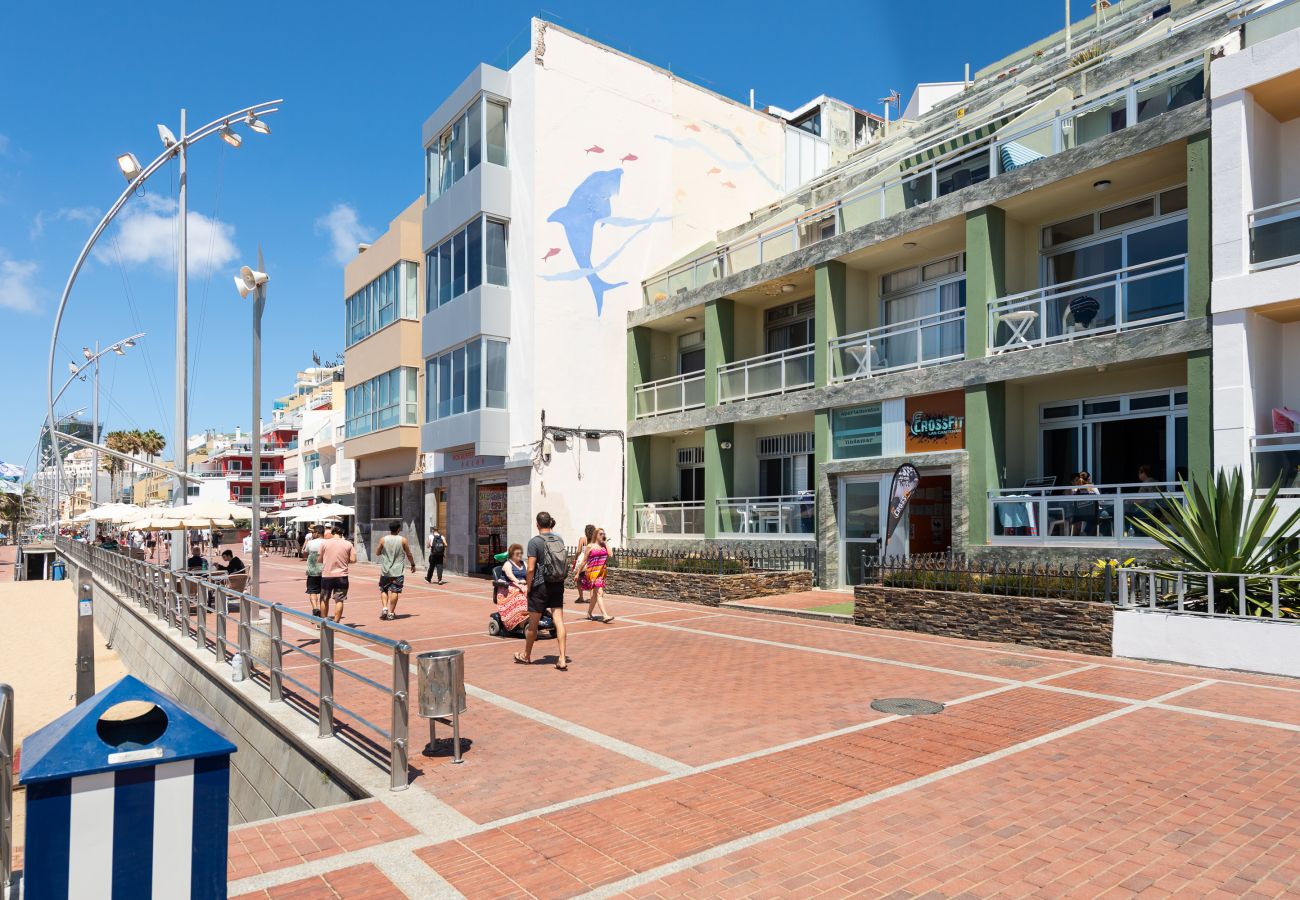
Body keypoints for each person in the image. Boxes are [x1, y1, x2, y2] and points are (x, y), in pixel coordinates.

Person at [515, 511, 569, 670]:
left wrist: (528, 586)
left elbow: (530, 568)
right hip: (557, 583)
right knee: (559, 620)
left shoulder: (535, 542)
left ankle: (526, 655)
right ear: (550, 523)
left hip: (540, 586)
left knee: (533, 624)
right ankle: (562, 658)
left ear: (537, 524)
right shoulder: (559, 539)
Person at [376, 521, 416, 621]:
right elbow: (409, 554)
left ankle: (385, 608)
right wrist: (412, 564)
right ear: (398, 529)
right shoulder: (403, 540)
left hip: (385, 570)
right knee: (395, 591)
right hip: (398, 571)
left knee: (383, 589)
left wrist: (384, 551)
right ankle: (391, 613)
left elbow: (377, 552)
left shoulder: (383, 539)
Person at [318, 524, 356, 623]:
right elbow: (353, 559)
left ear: (332, 533)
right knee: (339, 600)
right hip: (342, 576)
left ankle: (323, 621)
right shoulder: (348, 544)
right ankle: (336, 623)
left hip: (327, 575)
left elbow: (319, 559)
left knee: (324, 599)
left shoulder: (324, 543)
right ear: (342, 534)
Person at [575, 526, 613, 623]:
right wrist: (578, 573)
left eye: (604, 534)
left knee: (595, 595)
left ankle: (589, 613)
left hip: (601, 573)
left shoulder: (604, 545)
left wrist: (606, 542)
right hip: (592, 573)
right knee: (599, 593)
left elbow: (610, 554)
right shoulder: (590, 546)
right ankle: (605, 615)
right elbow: (584, 561)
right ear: (596, 535)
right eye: (601, 534)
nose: (603, 535)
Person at [302, 525, 326, 617]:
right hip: (325, 571)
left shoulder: (310, 543)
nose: (312, 534)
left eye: (313, 532)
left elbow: (304, 554)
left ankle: (315, 608)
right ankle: (323, 612)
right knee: (323, 593)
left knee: (312, 591)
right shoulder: (327, 543)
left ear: (317, 533)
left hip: (312, 571)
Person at [1069, 471, 1101, 536]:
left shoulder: (1075, 489)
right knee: (1105, 514)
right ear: (1089, 479)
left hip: (1079, 515)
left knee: (1092, 518)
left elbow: (1073, 503)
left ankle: (1085, 533)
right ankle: (1087, 533)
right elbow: (1101, 501)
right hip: (1093, 515)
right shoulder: (1092, 487)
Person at [574, 524, 595, 604]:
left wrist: (575, 558)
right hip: (591, 561)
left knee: (579, 579)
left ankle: (581, 597)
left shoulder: (582, 539)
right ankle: (591, 597)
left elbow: (579, 551)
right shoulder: (594, 540)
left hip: (583, 560)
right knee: (590, 580)